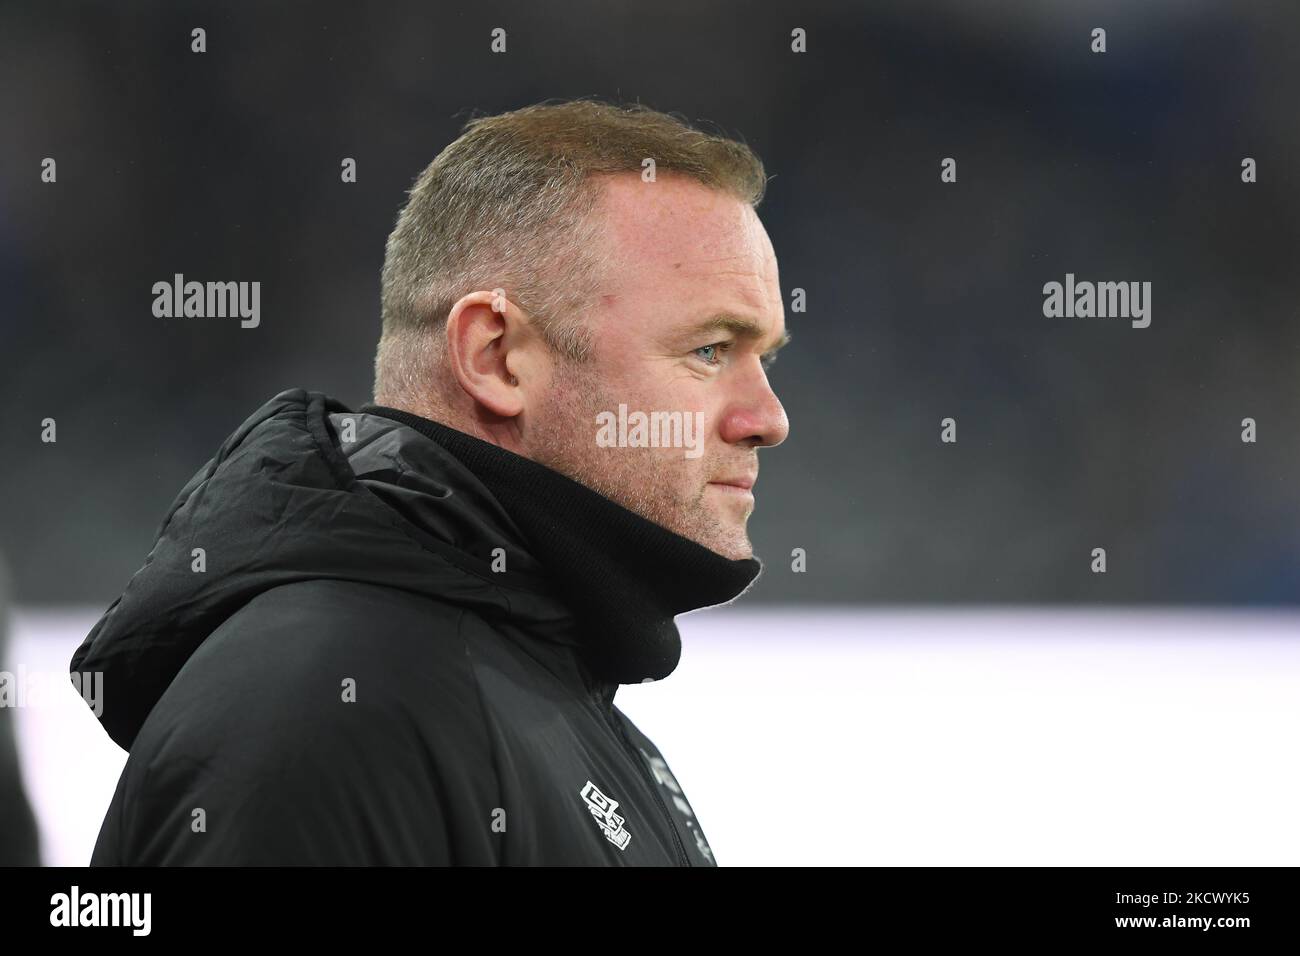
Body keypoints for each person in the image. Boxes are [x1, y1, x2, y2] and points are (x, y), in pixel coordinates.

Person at [72, 98, 790, 865]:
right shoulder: (329, 711)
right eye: (711, 350)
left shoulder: (522, 679)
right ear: (496, 357)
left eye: (765, 358)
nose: (768, 417)